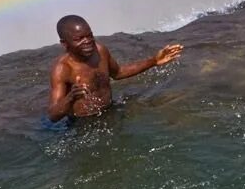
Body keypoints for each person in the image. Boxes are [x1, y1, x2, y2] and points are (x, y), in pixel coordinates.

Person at [46, 15, 183, 123]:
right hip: (83, 124)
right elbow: (53, 115)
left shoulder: (100, 50)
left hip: (110, 111)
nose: (87, 41)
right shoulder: (62, 68)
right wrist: (71, 97)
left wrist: (154, 61)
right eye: (79, 39)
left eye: (90, 35)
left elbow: (118, 73)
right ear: (64, 43)